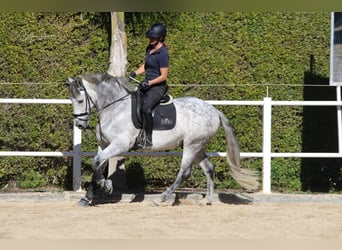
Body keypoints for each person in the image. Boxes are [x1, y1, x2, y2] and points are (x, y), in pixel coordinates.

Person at [129, 23, 169, 148]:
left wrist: (149, 82)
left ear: (160, 38)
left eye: (153, 37)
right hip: (147, 85)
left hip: (158, 88)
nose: (150, 40)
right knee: (132, 101)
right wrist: (135, 73)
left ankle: (148, 138)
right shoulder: (149, 49)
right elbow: (146, 66)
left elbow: (163, 76)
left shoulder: (163, 54)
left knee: (146, 108)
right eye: (150, 37)